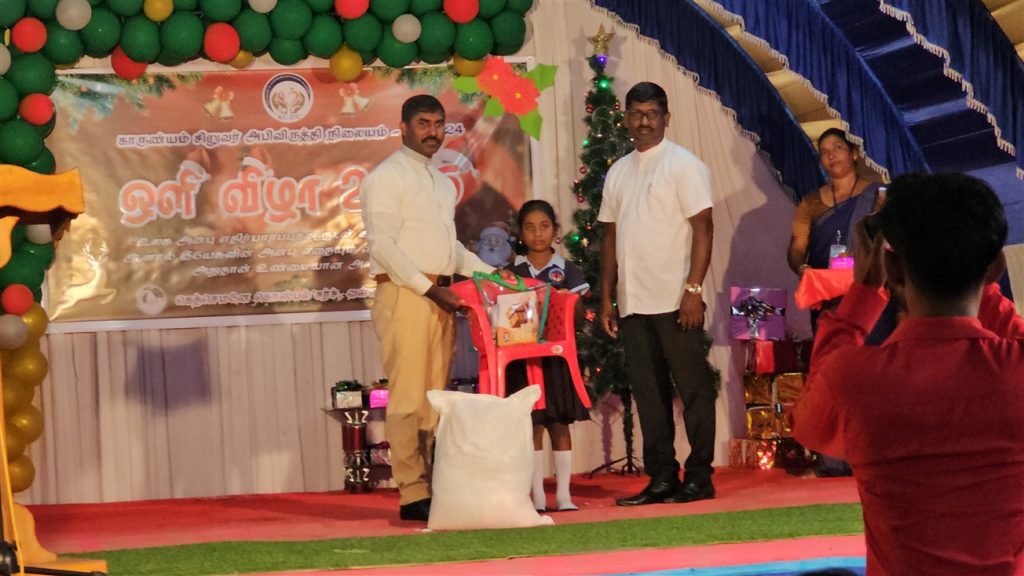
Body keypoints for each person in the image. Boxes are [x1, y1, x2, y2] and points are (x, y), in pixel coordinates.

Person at [793, 173, 1024, 575]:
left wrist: (865, 290)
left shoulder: (853, 378)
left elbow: (810, 425)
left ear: (891, 266)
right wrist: (976, 269)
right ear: (995, 268)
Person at [361, 94, 511, 522]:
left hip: (440, 296)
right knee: (409, 398)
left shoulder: (441, 182)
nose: (433, 131)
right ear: (403, 128)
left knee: (432, 400)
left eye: (439, 123)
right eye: (423, 123)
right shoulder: (386, 177)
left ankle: (429, 487)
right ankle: (411, 493)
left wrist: (494, 276)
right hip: (406, 294)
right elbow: (384, 247)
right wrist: (429, 290)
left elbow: (452, 252)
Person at [597, 82, 718, 506]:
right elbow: (610, 237)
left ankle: (700, 476)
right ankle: (663, 477)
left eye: (652, 114)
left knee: (694, 390)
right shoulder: (618, 170)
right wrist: (607, 296)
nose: (644, 122)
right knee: (649, 395)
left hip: (676, 300)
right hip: (634, 301)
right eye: (636, 114)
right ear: (626, 118)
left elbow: (704, 229)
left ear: (667, 117)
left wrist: (693, 290)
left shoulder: (684, 165)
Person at [504, 200, 591, 512]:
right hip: (523, 361)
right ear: (520, 233)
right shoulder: (512, 273)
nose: (537, 234)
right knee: (532, 425)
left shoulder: (568, 270)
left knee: (559, 423)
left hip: (556, 360)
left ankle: (564, 495)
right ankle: (537, 495)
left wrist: (568, 302)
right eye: (529, 227)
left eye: (544, 226)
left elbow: (579, 317)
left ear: (556, 230)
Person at [787, 128, 893, 341]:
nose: (831, 155)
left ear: (854, 153)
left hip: (871, 295)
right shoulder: (810, 202)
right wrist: (802, 269)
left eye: (838, 147)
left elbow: (892, 244)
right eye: (824, 152)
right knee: (833, 353)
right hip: (828, 298)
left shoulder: (879, 196)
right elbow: (796, 249)